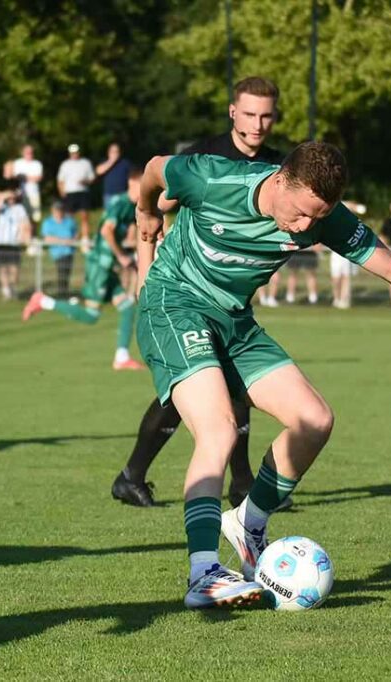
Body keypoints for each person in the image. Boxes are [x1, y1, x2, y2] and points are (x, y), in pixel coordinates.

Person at [134, 142, 391, 609]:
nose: (305, 228)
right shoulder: (212, 178)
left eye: (316, 218)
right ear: (280, 179)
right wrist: (146, 212)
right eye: (302, 214)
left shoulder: (325, 219)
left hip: (235, 321)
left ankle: (248, 524)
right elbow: (154, 169)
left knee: (314, 419)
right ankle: (203, 571)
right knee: (219, 429)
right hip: (174, 305)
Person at [111, 75, 288, 510]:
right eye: (249, 114)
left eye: (266, 115)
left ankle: (139, 476)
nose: (257, 124)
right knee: (200, 393)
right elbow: (152, 209)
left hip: (229, 302)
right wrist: (145, 272)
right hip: (181, 295)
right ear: (233, 112)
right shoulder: (204, 157)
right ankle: (233, 483)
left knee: (223, 392)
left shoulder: (280, 170)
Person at [21, 168, 145, 372]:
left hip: (107, 265)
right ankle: (43, 301)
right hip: (99, 265)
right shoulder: (121, 203)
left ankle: (121, 357)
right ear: (134, 183)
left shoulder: (132, 206)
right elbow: (106, 231)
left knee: (127, 307)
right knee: (91, 315)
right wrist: (122, 256)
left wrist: (128, 256)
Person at [0, 186, 32, 300]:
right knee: (3, 269)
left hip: (14, 243)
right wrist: (5, 195)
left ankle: (12, 287)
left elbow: (25, 224)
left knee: (14, 269)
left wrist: (25, 237)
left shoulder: (20, 208)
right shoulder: (2, 206)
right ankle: (6, 292)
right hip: (1, 243)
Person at [56, 144, 95, 248]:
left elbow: (91, 178)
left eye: (76, 152)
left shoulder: (85, 163)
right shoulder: (65, 164)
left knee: (84, 216)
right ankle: (71, 238)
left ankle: (85, 240)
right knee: (69, 217)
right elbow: (60, 180)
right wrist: (62, 192)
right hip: (70, 193)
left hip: (83, 192)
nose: (74, 154)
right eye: (72, 152)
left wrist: (85, 181)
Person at [40, 201, 79, 297]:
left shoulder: (69, 221)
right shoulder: (48, 222)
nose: (59, 212)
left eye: (60, 210)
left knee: (67, 272)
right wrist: (62, 241)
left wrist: (72, 240)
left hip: (69, 251)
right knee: (62, 271)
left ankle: (64, 292)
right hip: (57, 252)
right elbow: (47, 237)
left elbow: (76, 233)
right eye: (56, 210)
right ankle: (62, 293)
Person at [4, 144, 44, 222]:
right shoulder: (18, 163)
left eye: (31, 152)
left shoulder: (37, 164)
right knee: (22, 216)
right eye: (27, 152)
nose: (29, 154)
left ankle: (33, 233)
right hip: (20, 194)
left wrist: (25, 177)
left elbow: (38, 178)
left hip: (33, 193)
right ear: (23, 153)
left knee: (35, 217)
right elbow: (9, 175)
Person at [96, 142, 133, 208]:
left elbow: (132, 178)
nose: (115, 153)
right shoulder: (104, 162)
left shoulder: (125, 163)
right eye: (113, 151)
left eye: (117, 151)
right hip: (109, 195)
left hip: (123, 195)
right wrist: (111, 161)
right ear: (108, 152)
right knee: (110, 216)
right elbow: (99, 171)